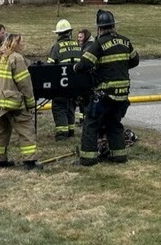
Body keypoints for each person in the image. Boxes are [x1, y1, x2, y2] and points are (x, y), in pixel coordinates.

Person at [74, 9, 139, 166]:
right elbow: (135, 60)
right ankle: (119, 156)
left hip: (105, 94)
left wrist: (75, 67)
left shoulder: (99, 44)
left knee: (91, 124)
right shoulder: (125, 41)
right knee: (114, 124)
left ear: (99, 28)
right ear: (113, 26)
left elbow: (84, 64)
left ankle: (88, 159)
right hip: (122, 94)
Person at [0, 33, 38, 169]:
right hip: (12, 100)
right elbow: (24, 83)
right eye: (22, 42)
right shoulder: (16, 58)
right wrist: (30, 102)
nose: (24, 45)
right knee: (26, 129)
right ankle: (30, 161)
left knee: (1, 130)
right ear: (16, 44)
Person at [47, 19, 81, 140]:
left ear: (58, 34)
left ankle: (62, 134)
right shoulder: (77, 45)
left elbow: (50, 67)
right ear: (69, 32)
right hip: (75, 84)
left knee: (59, 107)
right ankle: (71, 130)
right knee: (71, 105)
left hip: (61, 84)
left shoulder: (57, 47)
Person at [74, 28, 93, 127]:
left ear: (86, 37)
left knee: (86, 99)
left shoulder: (89, 46)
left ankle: (86, 120)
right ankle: (82, 120)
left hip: (88, 77)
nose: (79, 39)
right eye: (78, 37)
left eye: (81, 37)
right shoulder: (82, 46)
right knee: (81, 100)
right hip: (82, 75)